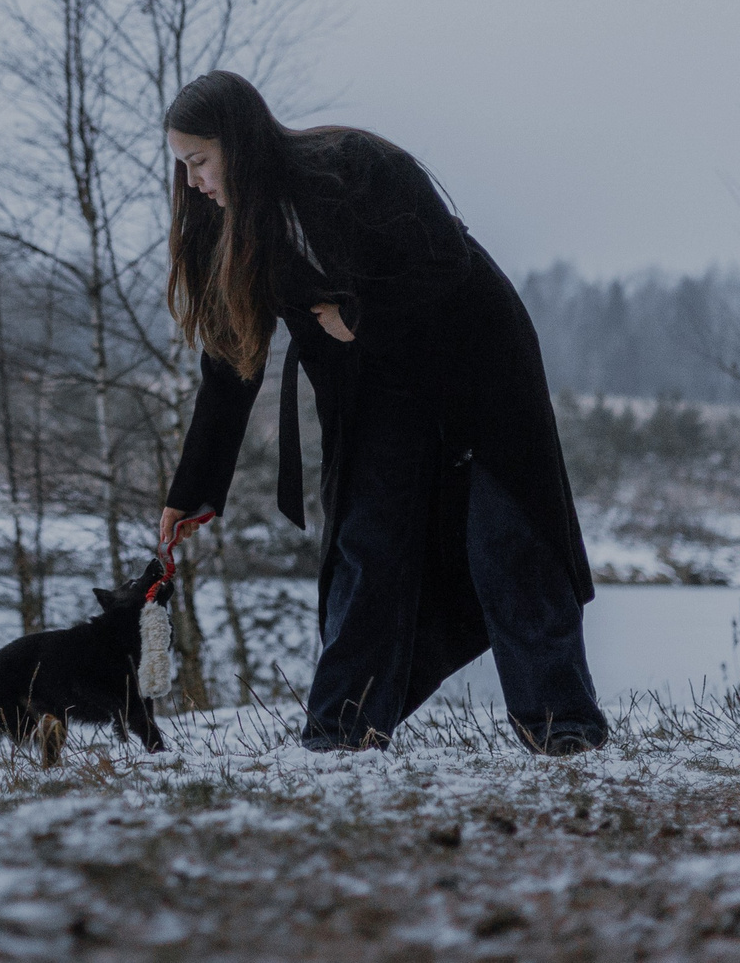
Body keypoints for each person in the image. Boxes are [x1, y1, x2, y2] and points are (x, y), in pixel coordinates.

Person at [155, 70, 608, 754]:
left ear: (238, 145)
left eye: (199, 161)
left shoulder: (355, 165)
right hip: (376, 388)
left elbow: (445, 263)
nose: (193, 183)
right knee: (368, 543)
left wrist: (360, 314)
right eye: (183, 167)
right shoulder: (228, 232)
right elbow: (230, 363)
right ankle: (342, 731)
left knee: (508, 537)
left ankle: (563, 728)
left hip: (476, 363)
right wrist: (194, 490)